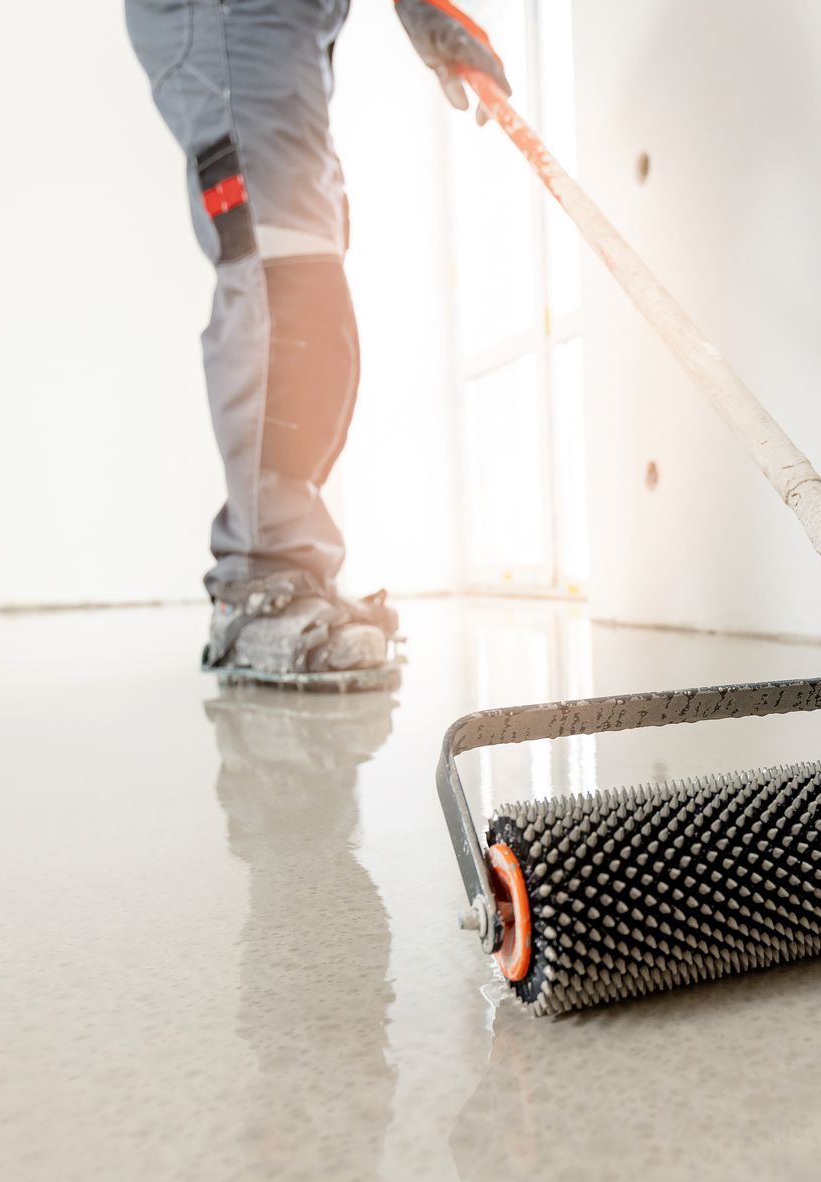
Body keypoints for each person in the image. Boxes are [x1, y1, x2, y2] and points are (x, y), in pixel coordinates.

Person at [124, 0, 510, 689]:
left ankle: (290, 566)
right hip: (233, 19)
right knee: (281, 279)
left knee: (311, 292)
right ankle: (260, 585)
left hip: (284, 30)